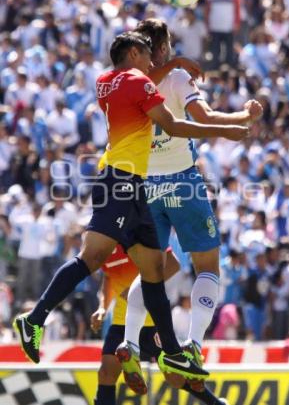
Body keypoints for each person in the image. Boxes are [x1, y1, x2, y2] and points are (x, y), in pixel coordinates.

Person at [13, 31, 248, 381]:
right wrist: (223, 131)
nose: (152, 62)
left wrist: (176, 64)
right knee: (92, 257)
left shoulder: (105, 82)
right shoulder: (138, 82)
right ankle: (33, 319)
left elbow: (148, 85)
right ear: (135, 53)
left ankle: (173, 354)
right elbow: (172, 124)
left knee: (153, 269)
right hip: (121, 183)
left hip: (134, 186)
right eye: (147, 55)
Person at [117, 20, 262, 391]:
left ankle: (130, 343)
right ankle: (194, 345)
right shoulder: (178, 78)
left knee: (155, 268)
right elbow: (207, 119)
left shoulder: (127, 85)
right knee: (208, 265)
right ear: (162, 47)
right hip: (183, 181)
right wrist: (245, 117)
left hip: (145, 186)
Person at [91, 244, 229, 405]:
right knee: (106, 373)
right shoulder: (103, 245)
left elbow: (173, 264)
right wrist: (102, 308)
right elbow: (108, 277)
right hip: (121, 322)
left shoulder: (136, 233)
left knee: (176, 377)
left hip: (152, 322)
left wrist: (139, 289)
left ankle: (214, 402)